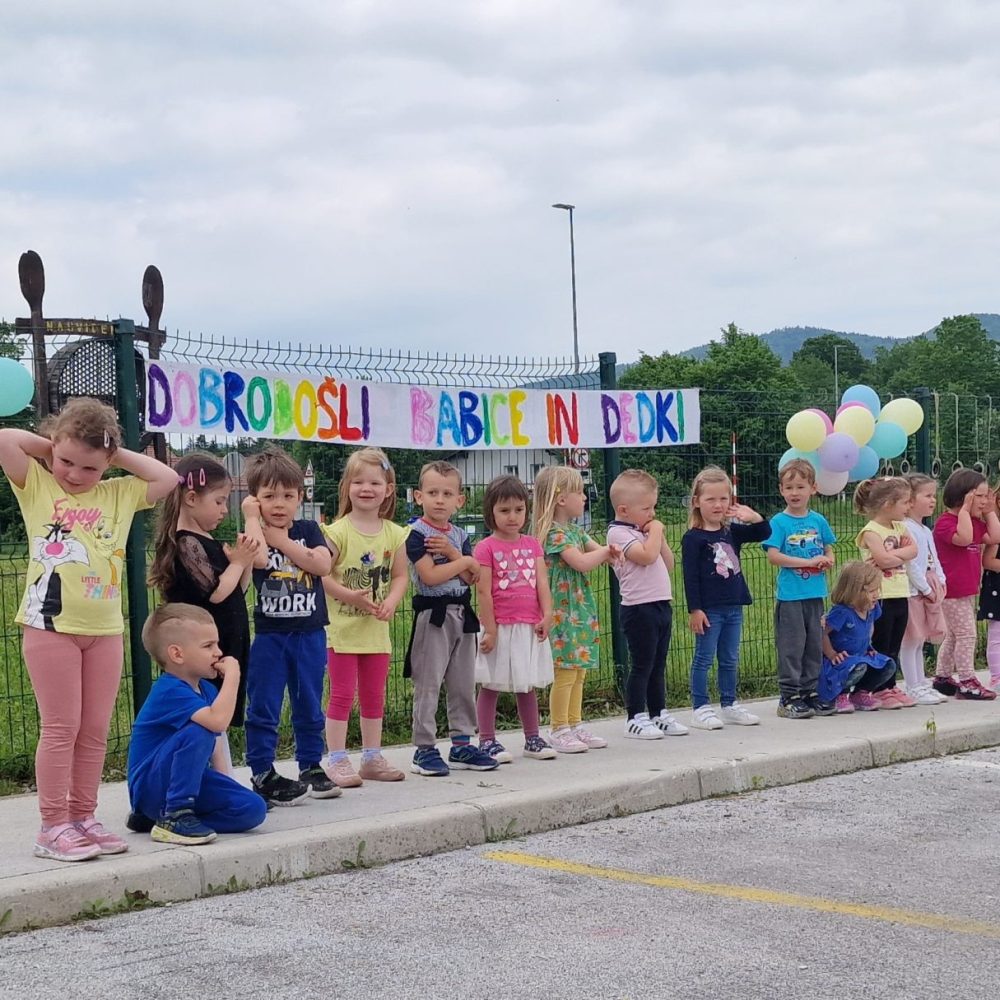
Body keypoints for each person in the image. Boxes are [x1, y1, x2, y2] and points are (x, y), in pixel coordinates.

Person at [0, 398, 179, 861]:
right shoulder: (37, 485)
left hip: (104, 629)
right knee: (61, 727)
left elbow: (168, 478)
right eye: (66, 462)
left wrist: (111, 454)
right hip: (50, 626)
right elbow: (5, 439)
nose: (75, 474)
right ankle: (52, 825)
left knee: (95, 729)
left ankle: (83, 817)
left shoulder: (117, 492)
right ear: (52, 453)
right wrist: (58, 445)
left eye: (89, 468)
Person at [148, 453, 259, 773]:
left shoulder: (206, 540)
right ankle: (212, 778)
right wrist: (237, 562)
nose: (225, 509)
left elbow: (237, 589)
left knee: (217, 712)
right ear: (192, 498)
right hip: (201, 647)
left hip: (222, 639)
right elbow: (216, 593)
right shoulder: (186, 544)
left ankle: (216, 779)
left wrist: (245, 561)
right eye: (220, 501)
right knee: (207, 711)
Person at [241, 447, 339, 804]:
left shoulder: (309, 529)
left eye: (287, 495)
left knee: (309, 702)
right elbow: (262, 559)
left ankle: (311, 763)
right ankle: (261, 770)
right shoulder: (254, 533)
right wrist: (253, 520)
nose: (279, 504)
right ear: (255, 500)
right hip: (271, 635)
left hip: (309, 632)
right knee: (264, 704)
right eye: (268, 496)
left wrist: (284, 540)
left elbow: (322, 566)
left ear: (300, 497)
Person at [127, 604, 268, 844]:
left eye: (217, 644)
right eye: (208, 646)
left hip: (188, 784)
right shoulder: (169, 689)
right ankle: (175, 816)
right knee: (201, 729)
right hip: (151, 786)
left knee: (253, 808)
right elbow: (216, 722)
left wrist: (229, 787)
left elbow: (218, 742)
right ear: (177, 654)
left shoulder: (207, 690)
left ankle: (159, 819)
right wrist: (234, 676)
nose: (218, 652)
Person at [321, 447, 409, 787]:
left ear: (388, 489)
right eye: (358, 481)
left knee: (374, 694)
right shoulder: (337, 532)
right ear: (347, 487)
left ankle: (372, 756)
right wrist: (348, 596)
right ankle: (337, 759)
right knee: (342, 694)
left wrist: (392, 601)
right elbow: (322, 574)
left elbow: (401, 575)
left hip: (376, 630)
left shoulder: (394, 534)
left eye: (375, 482)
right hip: (342, 630)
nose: (366, 488)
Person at [404, 461, 497, 776]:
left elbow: (474, 578)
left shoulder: (459, 535)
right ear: (419, 496)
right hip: (434, 614)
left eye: (447, 493)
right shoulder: (416, 534)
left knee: (462, 682)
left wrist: (460, 556)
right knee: (428, 681)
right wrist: (466, 563)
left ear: (460, 500)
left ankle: (462, 743)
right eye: (432, 492)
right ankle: (424, 748)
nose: (439, 500)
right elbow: (430, 575)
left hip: (463, 613)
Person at [532, 465, 618, 752]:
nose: (584, 498)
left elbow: (596, 550)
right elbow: (581, 562)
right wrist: (607, 552)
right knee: (566, 671)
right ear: (560, 499)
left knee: (579, 670)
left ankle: (575, 722)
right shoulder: (555, 535)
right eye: (579, 492)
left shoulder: (573, 531)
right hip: (561, 612)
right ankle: (559, 728)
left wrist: (610, 551)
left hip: (578, 610)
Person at [474, 475, 556, 763]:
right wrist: (491, 630)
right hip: (499, 626)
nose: (512, 517)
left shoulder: (533, 545)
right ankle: (487, 740)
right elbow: (483, 590)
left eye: (519, 510)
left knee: (527, 683)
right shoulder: (485, 548)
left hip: (528, 625)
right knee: (491, 683)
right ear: (491, 512)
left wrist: (547, 614)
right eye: (504, 510)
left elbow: (542, 584)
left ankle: (532, 737)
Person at [681, 466, 769, 729]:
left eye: (723, 499)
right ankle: (700, 707)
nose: (718, 505)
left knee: (730, 657)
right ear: (697, 502)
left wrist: (754, 517)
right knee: (704, 657)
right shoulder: (693, 538)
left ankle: (729, 704)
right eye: (711, 499)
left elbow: (764, 533)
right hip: (710, 609)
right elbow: (690, 577)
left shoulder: (732, 531)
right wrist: (695, 609)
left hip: (734, 605)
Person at [607, 469, 687, 740]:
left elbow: (668, 562)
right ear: (624, 510)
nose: (652, 513)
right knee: (642, 664)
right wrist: (657, 530)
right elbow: (645, 556)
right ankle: (635, 716)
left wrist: (658, 534)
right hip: (638, 608)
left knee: (658, 663)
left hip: (661, 604)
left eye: (654, 507)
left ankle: (658, 712)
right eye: (646, 508)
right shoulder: (617, 533)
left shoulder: (646, 531)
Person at [762, 458, 837, 720]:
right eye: (789, 487)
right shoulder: (779, 522)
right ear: (781, 490)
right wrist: (807, 562)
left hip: (815, 594)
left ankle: (809, 690)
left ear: (813, 488)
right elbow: (773, 556)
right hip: (792, 595)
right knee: (792, 645)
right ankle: (788, 695)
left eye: (800, 487)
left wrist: (828, 558)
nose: (795, 493)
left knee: (814, 644)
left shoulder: (818, 520)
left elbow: (828, 547)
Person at [932, 468, 1000, 700]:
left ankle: (942, 677)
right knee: (967, 635)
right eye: (979, 496)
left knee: (955, 634)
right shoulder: (945, 523)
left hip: (967, 590)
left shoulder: (973, 522)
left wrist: (990, 512)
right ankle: (967, 680)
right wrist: (963, 511)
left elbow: (995, 537)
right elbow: (963, 539)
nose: (984, 500)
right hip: (952, 591)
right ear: (964, 496)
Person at [854, 477, 918, 708]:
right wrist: (899, 554)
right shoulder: (871, 531)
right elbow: (881, 558)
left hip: (900, 592)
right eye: (905, 502)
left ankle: (891, 685)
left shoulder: (900, 527)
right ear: (887, 504)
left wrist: (894, 557)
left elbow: (914, 550)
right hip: (880, 595)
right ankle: (877, 688)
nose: (909, 507)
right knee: (881, 642)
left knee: (895, 642)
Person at [819, 561, 895, 712]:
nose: (876, 595)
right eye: (871, 591)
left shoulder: (871, 609)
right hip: (843, 661)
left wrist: (868, 647)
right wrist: (831, 653)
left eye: (877, 590)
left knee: (888, 665)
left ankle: (861, 693)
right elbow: (822, 633)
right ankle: (840, 694)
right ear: (854, 591)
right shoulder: (842, 612)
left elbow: (866, 631)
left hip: (860, 656)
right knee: (859, 666)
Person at [898, 474, 948, 705]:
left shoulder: (925, 530)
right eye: (927, 495)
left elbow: (933, 559)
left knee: (920, 640)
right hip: (914, 591)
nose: (932, 500)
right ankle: (912, 685)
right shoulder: (906, 528)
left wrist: (941, 579)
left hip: (927, 589)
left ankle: (920, 682)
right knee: (911, 639)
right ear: (910, 500)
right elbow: (911, 565)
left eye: (933, 496)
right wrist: (926, 588)